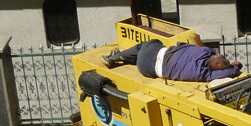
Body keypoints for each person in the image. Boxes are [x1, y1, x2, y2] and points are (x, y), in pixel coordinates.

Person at [102, 40, 242, 82]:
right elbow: (228, 73)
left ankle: (116, 57)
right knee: (141, 56)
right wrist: (234, 68)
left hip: (152, 52)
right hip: (147, 69)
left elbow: (181, 44)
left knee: (149, 44)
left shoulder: (204, 51)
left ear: (212, 57)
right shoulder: (205, 75)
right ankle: (131, 59)